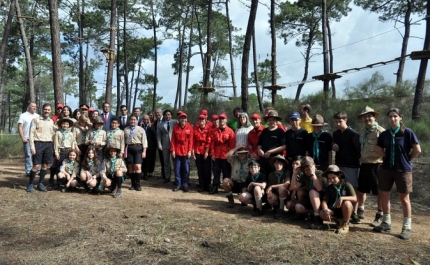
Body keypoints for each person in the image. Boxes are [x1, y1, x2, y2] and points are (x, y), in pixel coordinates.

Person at [373, 108, 421, 240]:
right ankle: (386, 223)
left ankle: (406, 227)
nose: (392, 119)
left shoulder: (407, 132)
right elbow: (378, 148)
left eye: (395, 116)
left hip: (403, 170)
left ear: (400, 118)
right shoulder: (385, 134)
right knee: (384, 195)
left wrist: (407, 159)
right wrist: (385, 156)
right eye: (390, 117)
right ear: (388, 119)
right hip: (387, 168)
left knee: (404, 198)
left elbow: (417, 149)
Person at [355, 106, 385, 226]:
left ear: (374, 117)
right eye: (364, 116)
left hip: (377, 165)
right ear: (362, 119)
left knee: (379, 192)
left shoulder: (381, 132)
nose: (367, 118)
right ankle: (360, 211)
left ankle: (379, 215)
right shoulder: (363, 132)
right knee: (361, 191)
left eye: (369, 116)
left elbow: (386, 150)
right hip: (364, 165)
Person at [331, 111, 361, 224]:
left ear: (346, 120)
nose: (338, 124)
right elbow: (334, 145)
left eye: (340, 121)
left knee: (353, 189)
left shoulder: (353, 134)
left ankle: (355, 213)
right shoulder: (336, 134)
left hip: (352, 165)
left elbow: (359, 151)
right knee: (340, 188)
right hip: (339, 164)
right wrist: (333, 145)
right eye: (336, 122)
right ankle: (342, 211)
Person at [292, 156, 328, 229]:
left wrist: (313, 175)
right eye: (305, 170)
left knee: (312, 191)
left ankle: (317, 218)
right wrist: (294, 174)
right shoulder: (304, 175)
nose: (307, 171)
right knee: (298, 207)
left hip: (322, 199)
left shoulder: (320, 173)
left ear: (314, 166)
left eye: (309, 168)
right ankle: (313, 213)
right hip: (311, 199)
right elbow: (294, 187)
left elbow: (319, 188)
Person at [320, 165, 357, 234]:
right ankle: (338, 221)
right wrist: (326, 210)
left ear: (339, 176)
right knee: (322, 213)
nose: (332, 180)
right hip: (334, 209)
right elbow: (324, 201)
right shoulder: (329, 188)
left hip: (345, 209)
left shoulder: (346, 185)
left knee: (347, 203)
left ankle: (345, 223)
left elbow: (355, 198)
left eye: (334, 178)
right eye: (329, 178)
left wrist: (342, 198)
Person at [27, 103, 55, 192]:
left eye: (48, 110)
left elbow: (53, 134)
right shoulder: (35, 120)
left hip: (48, 145)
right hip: (38, 144)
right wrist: (32, 146)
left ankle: (40, 183)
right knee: (36, 165)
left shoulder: (51, 122)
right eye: (45, 109)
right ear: (42, 110)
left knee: (45, 165)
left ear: (50, 111)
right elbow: (31, 133)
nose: (47, 111)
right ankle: (30, 184)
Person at [209, 113, 236, 194]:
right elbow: (212, 143)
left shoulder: (230, 131)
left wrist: (230, 155)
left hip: (226, 155)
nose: (221, 120)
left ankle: (226, 187)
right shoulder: (214, 131)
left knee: (226, 172)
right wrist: (212, 153)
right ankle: (215, 186)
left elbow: (232, 145)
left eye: (223, 119)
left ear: (226, 120)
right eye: (220, 119)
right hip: (216, 155)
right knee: (216, 172)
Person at [51, 117, 78, 188]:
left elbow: (72, 143)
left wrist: (73, 152)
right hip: (61, 151)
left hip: (69, 151)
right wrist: (56, 153)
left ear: (69, 125)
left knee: (68, 166)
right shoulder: (58, 133)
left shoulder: (71, 134)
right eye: (63, 124)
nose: (65, 125)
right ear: (61, 125)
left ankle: (68, 181)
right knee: (59, 166)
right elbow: (56, 144)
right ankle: (58, 182)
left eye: (67, 124)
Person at [257, 110, 286, 174]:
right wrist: (259, 149)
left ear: (276, 121)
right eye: (270, 120)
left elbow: (284, 146)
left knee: (273, 177)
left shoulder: (280, 131)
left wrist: (270, 152)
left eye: (273, 120)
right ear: (267, 121)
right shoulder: (264, 131)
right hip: (264, 159)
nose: (271, 121)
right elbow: (259, 144)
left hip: (275, 160)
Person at [171, 112, 194, 192]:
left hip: (186, 150)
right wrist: (173, 150)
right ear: (179, 119)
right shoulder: (175, 128)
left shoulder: (190, 127)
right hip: (177, 150)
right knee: (177, 169)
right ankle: (178, 184)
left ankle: (185, 184)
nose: (183, 119)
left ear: (186, 119)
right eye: (181, 118)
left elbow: (191, 140)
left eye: (184, 118)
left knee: (186, 169)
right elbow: (173, 140)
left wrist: (190, 151)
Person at [124, 115, 147, 191]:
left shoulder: (141, 129)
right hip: (129, 148)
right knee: (130, 167)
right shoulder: (126, 129)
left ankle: (138, 184)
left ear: (137, 121)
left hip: (138, 148)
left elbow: (144, 141)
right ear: (129, 120)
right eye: (131, 120)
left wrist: (144, 151)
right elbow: (123, 141)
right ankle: (132, 183)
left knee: (137, 166)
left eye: (134, 120)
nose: (133, 121)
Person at [18, 102, 39, 176]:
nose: (34, 108)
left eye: (35, 106)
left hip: (36, 139)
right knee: (28, 155)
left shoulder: (37, 116)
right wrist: (23, 137)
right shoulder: (23, 115)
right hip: (27, 138)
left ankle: (37, 170)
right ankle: (29, 171)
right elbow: (20, 127)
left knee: (37, 154)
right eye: (33, 106)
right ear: (29, 107)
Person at [157, 109, 178, 184]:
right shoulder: (160, 124)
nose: (167, 116)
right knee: (166, 162)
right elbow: (158, 136)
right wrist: (159, 145)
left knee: (175, 162)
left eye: (169, 114)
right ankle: (167, 177)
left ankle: (177, 178)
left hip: (174, 145)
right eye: (166, 115)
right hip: (164, 145)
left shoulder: (175, 122)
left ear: (171, 115)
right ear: (164, 115)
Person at [192, 114, 212, 192]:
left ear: (205, 121)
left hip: (205, 150)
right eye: (200, 120)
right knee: (200, 169)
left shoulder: (209, 129)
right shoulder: (195, 129)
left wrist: (207, 152)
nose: (201, 121)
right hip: (197, 150)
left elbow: (209, 141)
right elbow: (193, 141)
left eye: (203, 120)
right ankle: (201, 185)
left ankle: (208, 185)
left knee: (207, 169)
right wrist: (193, 152)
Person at [142, 114, 157, 178]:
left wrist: (151, 127)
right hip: (142, 146)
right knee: (143, 161)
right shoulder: (141, 126)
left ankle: (146, 173)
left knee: (148, 160)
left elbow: (155, 135)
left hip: (150, 146)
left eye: (147, 119)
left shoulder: (152, 126)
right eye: (144, 119)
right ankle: (142, 173)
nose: (146, 121)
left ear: (149, 120)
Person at [154, 108, 165, 179]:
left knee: (166, 160)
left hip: (166, 143)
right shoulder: (156, 122)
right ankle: (163, 174)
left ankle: (167, 175)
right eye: (156, 113)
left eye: (158, 113)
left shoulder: (166, 120)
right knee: (162, 159)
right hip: (159, 143)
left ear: (161, 113)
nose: (157, 114)